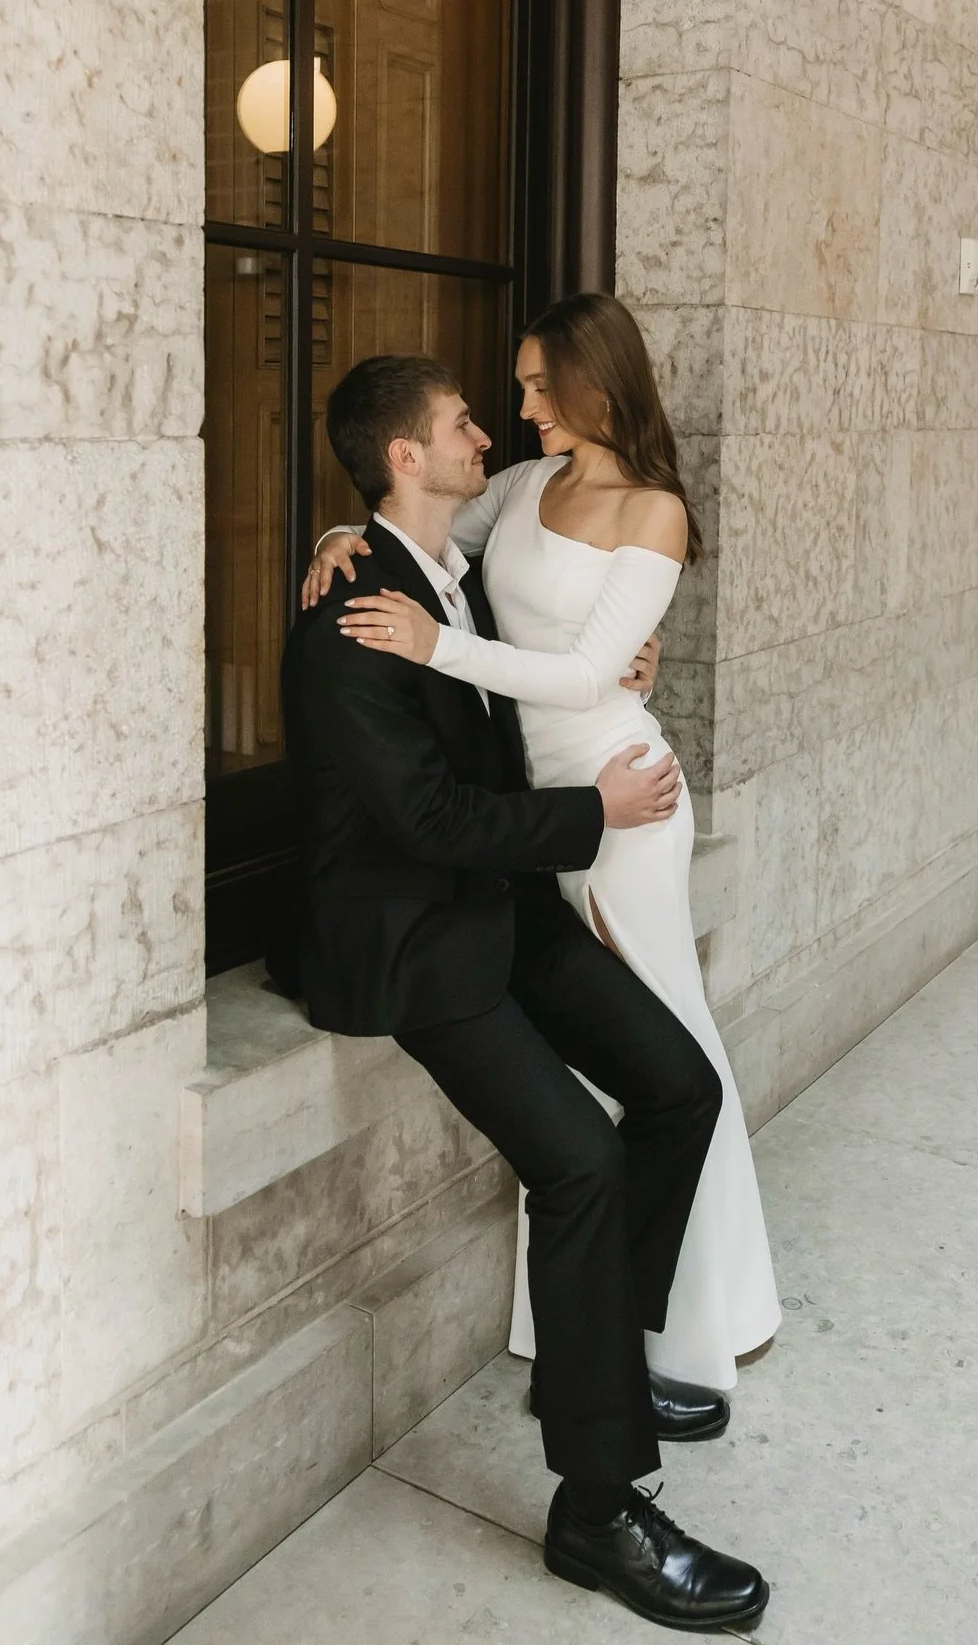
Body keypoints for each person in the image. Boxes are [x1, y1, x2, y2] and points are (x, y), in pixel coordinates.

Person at [282, 352, 770, 1632]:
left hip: (497, 908)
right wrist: (592, 812)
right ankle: (598, 1508)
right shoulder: (350, 615)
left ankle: (600, 1360)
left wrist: (626, 670)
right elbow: (429, 815)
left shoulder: (447, 570)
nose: (484, 431)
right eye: (459, 423)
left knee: (679, 1088)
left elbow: (543, 652)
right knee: (580, 1166)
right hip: (416, 944)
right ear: (407, 457)